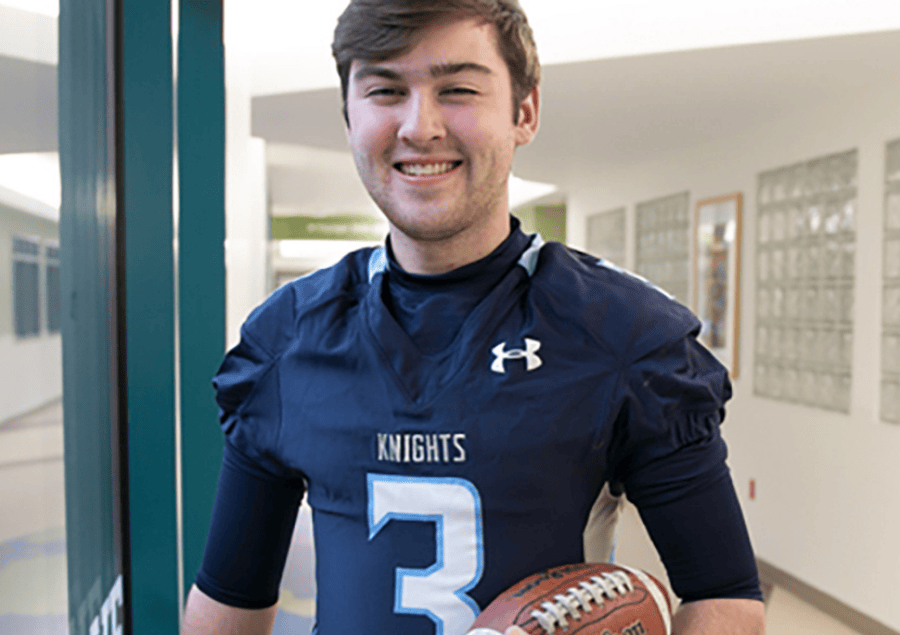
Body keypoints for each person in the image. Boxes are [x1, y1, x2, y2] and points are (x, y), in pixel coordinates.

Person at [182, 1, 766, 634]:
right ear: (349, 116)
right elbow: (229, 598)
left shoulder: (624, 335)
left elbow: (724, 598)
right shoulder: (286, 340)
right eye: (385, 90)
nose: (419, 126)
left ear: (524, 112)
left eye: (457, 89)